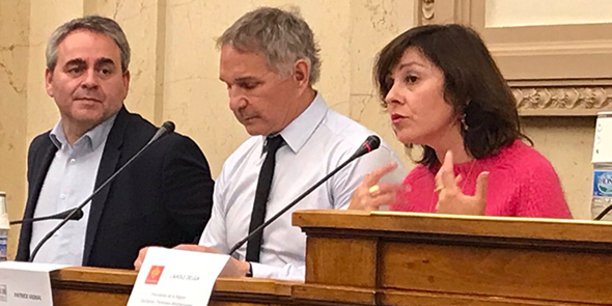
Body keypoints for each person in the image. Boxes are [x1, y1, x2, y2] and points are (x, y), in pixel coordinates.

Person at [134, 7, 404, 280]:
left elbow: (357, 274)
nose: (234, 102)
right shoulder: (240, 162)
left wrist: (249, 273)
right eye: (228, 86)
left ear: (299, 75)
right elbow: (212, 260)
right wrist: (172, 263)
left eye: (248, 85)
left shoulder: (358, 154)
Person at [16, 15, 215, 269]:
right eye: (76, 68)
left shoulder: (163, 153)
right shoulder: (41, 149)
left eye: (104, 70)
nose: (90, 81)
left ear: (125, 81)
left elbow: (214, 249)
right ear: (49, 80)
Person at [349, 24, 572, 218]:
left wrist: (469, 232)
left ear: (461, 89)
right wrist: (352, 231)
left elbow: (563, 267)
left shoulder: (529, 174)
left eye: (412, 79)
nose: (391, 96)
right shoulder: (415, 183)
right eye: (390, 83)